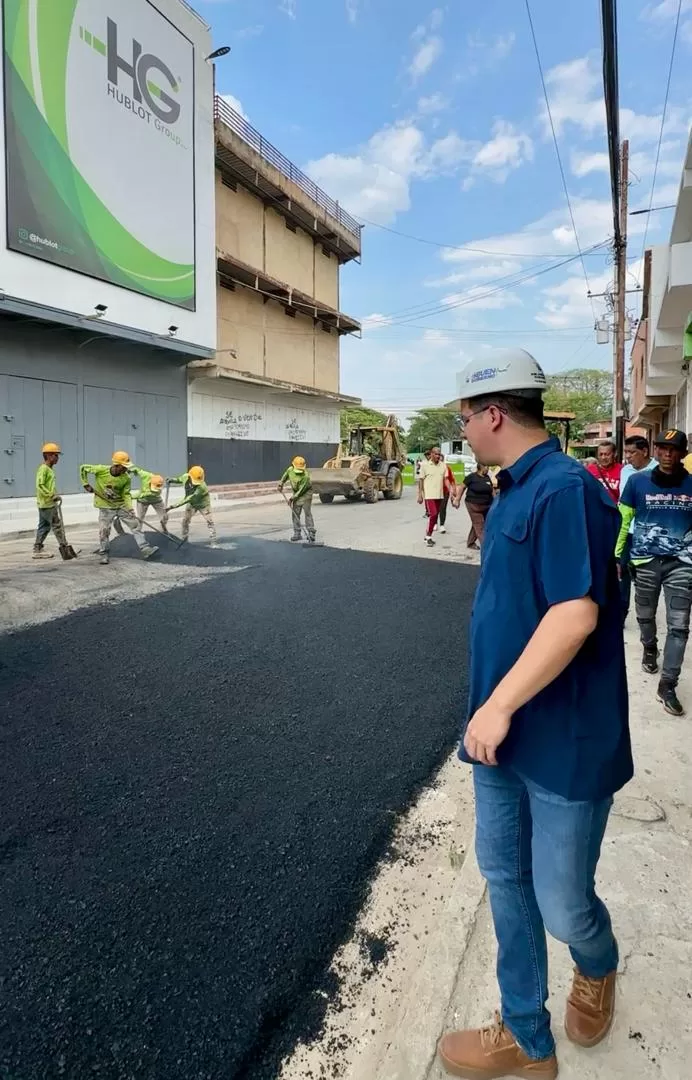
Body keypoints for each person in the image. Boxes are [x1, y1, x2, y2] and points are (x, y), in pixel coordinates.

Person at [437, 348, 631, 1080]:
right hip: (503, 740)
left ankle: (598, 963)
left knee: (562, 904)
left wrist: (496, 707)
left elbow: (575, 614)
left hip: (563, 742)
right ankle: (526, 1035)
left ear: (492, 414)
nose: (464, 432)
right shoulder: (509, 491)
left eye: (464, 419)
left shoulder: (565, 490)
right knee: (506, 882)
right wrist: (491, 715)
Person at [616, 428, 692, 717]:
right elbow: (624, 520)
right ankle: (650, 647)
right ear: (655, 451)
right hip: (645, 562)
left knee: (679, 626)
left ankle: (668, 684)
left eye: (674, 449)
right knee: (645, 616)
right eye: (662, 448)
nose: (668, 454)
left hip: (682, 564)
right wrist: (617, 555)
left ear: (683, 453)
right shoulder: (637, 482)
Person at [80, 452, 158, 566]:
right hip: (105, 505)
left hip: (120, 505)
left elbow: (126, 494)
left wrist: (130, 508)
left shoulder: (126, 478)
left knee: (135, 525)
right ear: (117, 465)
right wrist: (85, 483)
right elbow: (83, 468)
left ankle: (145, 549)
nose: (126, 470)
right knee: (104, 531)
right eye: (124, 467)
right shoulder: (101, 470)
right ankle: (104, 554)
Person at [617, 435, 655, 621]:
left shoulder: (658, 470)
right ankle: (621, 613)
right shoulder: (625, 471)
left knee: (646, 574)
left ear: (645, 451)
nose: (628, 456)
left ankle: (647, 614)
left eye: (632, 452)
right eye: (626, 452)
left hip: (649, 533)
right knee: (621, 570)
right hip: (627, 531)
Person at [32, 442, 68, 560]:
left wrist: (54, 494)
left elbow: (49, 486)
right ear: (48, 455)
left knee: (44, 526)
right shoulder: (43, 469)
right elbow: (40, 485)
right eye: (55, 455)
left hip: (45, 503)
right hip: (47, 504)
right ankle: (64, 547)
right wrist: (51, 495)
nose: (57, 458)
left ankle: (37, 548)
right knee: (57, 525)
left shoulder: (49, 469)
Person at [168, 466, 219, 547]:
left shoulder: (202, 487)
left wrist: (173, 506)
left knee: (210, 521)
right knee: (185, 521)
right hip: (192, 504)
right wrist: (172, 480)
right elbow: (179, 479)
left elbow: (189, 498)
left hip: (203, 505)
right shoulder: (185, 477)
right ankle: (185, 540)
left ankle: (214, 542)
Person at [452, 462, 495, 549]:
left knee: (477, 523)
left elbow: (492, 490)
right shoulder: (471, 477)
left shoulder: (487, 477)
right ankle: (487, 547)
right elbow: (462, 487)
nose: (488, 469)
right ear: (481, 467)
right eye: (487, 467)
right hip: (473, 505)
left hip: (486, 505)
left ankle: (470, 543)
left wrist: (496, 501)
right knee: (480, 525)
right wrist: (457, 499)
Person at [278, 456, 316, 543]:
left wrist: (291, 498)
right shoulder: (290, 470)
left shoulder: (305, 476)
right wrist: (281, 484)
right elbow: (285, 476)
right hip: (297, 493)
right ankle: (297, 533)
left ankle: (311, 532)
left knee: (307, 512)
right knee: (295, 513)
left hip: (306, 494)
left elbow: (301, 491)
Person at [418, 446, 447, 547]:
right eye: (436, 454)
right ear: (431, 454)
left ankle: (428, 536)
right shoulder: (425, 465)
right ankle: (428, 536)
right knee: (433, 514)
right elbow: (421, 480)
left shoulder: (443, 466)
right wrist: (420, 495)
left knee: (435, 515)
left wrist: (452, 491)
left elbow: (446, 479)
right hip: (429, 495)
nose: (438, 456)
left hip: (439, 495)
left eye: (439, 454)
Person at [437, 453, 457, 534]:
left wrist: (454, 491)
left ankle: (442, 525)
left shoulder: (447, 468)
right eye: (439, 459)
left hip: (445, 491)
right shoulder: (432, 468)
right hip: (434, 491)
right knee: (435, 509)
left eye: (441, 459)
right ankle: (434, 522)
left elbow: (452, 480)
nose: (440, 461)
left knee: (442, 508)